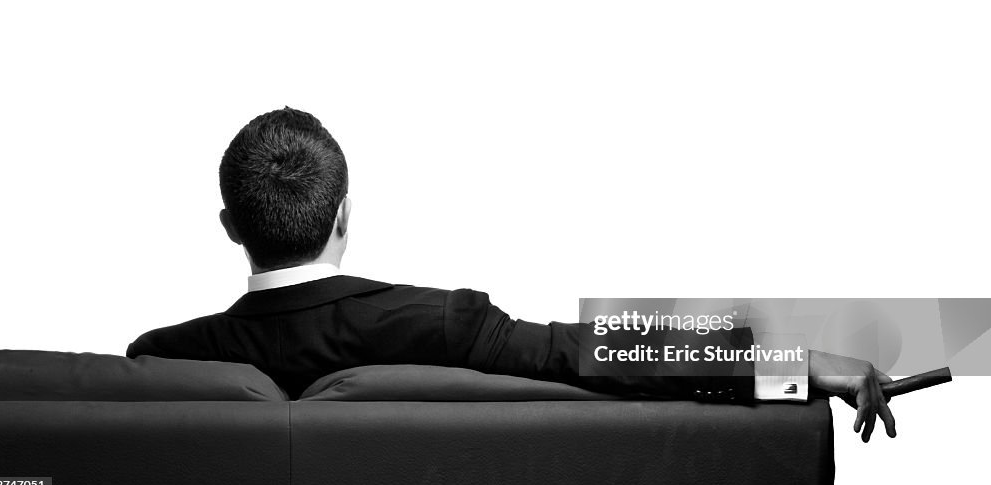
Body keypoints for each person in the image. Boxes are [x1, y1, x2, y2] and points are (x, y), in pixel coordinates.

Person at [126, 107, 896, 443]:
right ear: (345, 216)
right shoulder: (441, 323)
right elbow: (592, 351)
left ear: (230, 227)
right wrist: (792, 361)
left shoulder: (161, 361)